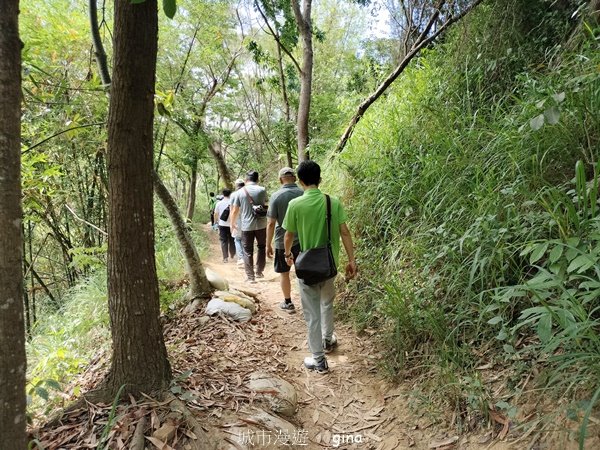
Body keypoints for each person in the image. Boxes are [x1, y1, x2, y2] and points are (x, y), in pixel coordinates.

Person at [283, 160, 357, 374]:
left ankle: (319, 360)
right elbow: (345, 232)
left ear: (300, 181)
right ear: (320, 178)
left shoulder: (295, 205)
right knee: (327, 303)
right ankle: (327, 339)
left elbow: (288, 235)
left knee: (312, 314)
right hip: (329, 265)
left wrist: (288, 255)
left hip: (306, 268)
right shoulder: (332, 202)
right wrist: (352, 260)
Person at [266, 167, 304, 313]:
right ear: (294, 178)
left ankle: (288, 302)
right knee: (304, 272)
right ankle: (308, 302)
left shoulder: (276, 196)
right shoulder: (303, 193)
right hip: (302, 240)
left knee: (284, 273)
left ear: (280, 179)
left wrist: (268, 244)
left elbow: (270, 223)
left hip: (282, 241)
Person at [230, 170, 268, 283]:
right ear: (257, 179)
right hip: (261, 224)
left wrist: (232, 223)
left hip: (246, 226)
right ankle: (259, 272)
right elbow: (265, 204)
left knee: (247, 251)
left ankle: (251, 277)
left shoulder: (240, 192)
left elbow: (235, 210)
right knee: (261, 247)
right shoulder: (262, 190)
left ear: (246, 180)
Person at [214, 189, 236, 263]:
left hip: (222, 224)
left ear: (223, 194)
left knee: (223, 241)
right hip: (231, 224)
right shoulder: (233, 203)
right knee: (232, 240)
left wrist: (215, 222)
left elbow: (216, 214)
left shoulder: (219, 203)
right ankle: (232, 254)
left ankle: (225, 257)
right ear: (230, 194)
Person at [231, 178, 246, 265]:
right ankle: (246, 257)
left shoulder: (233, 195)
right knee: (245, 239)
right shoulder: (247, 193)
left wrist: (231, 223)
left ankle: (241, 258)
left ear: (236, 185)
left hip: (237, 219)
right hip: (247, 219)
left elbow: (232, 210)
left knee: (237, 239)